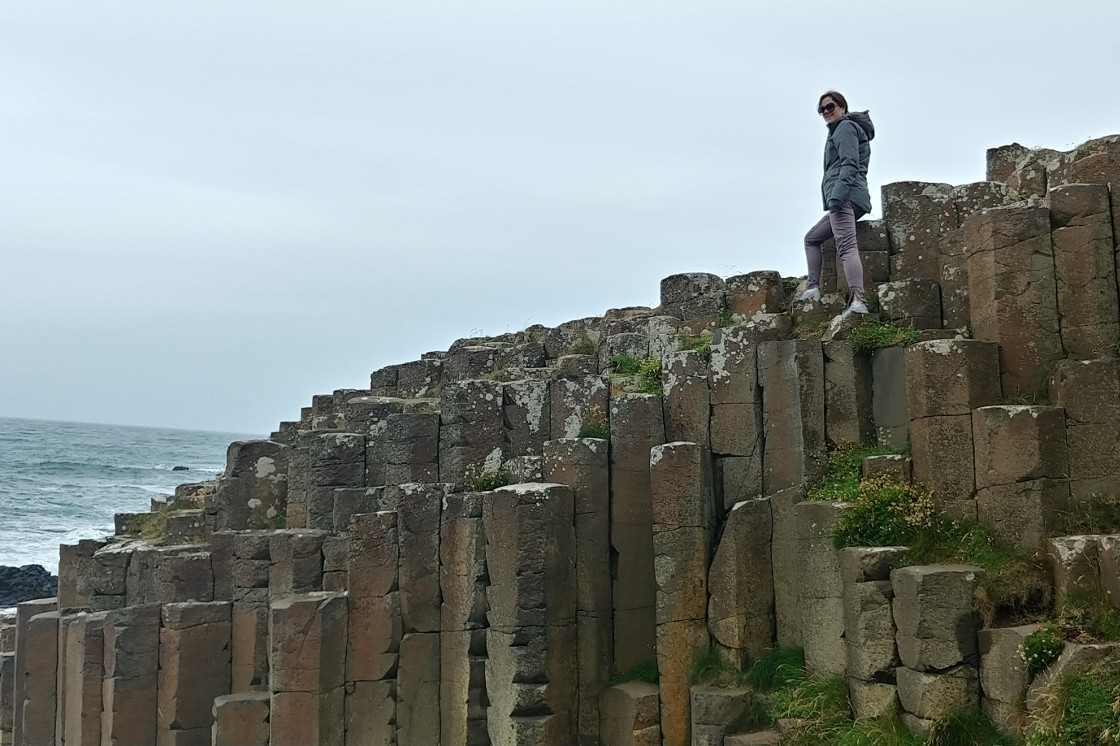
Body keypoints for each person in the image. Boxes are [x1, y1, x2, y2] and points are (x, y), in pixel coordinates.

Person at [799, 90, 875, 314]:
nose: (826, 112)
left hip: (844, 197)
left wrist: (836, 196)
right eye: (821, 109)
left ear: (842, 107)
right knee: (812, 238)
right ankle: (813, 287)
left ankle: (858, 301)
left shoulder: (844, 128)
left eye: (830, 107)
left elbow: (849, 164)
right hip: (851, 197)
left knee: (847, 247)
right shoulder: (846, 128)